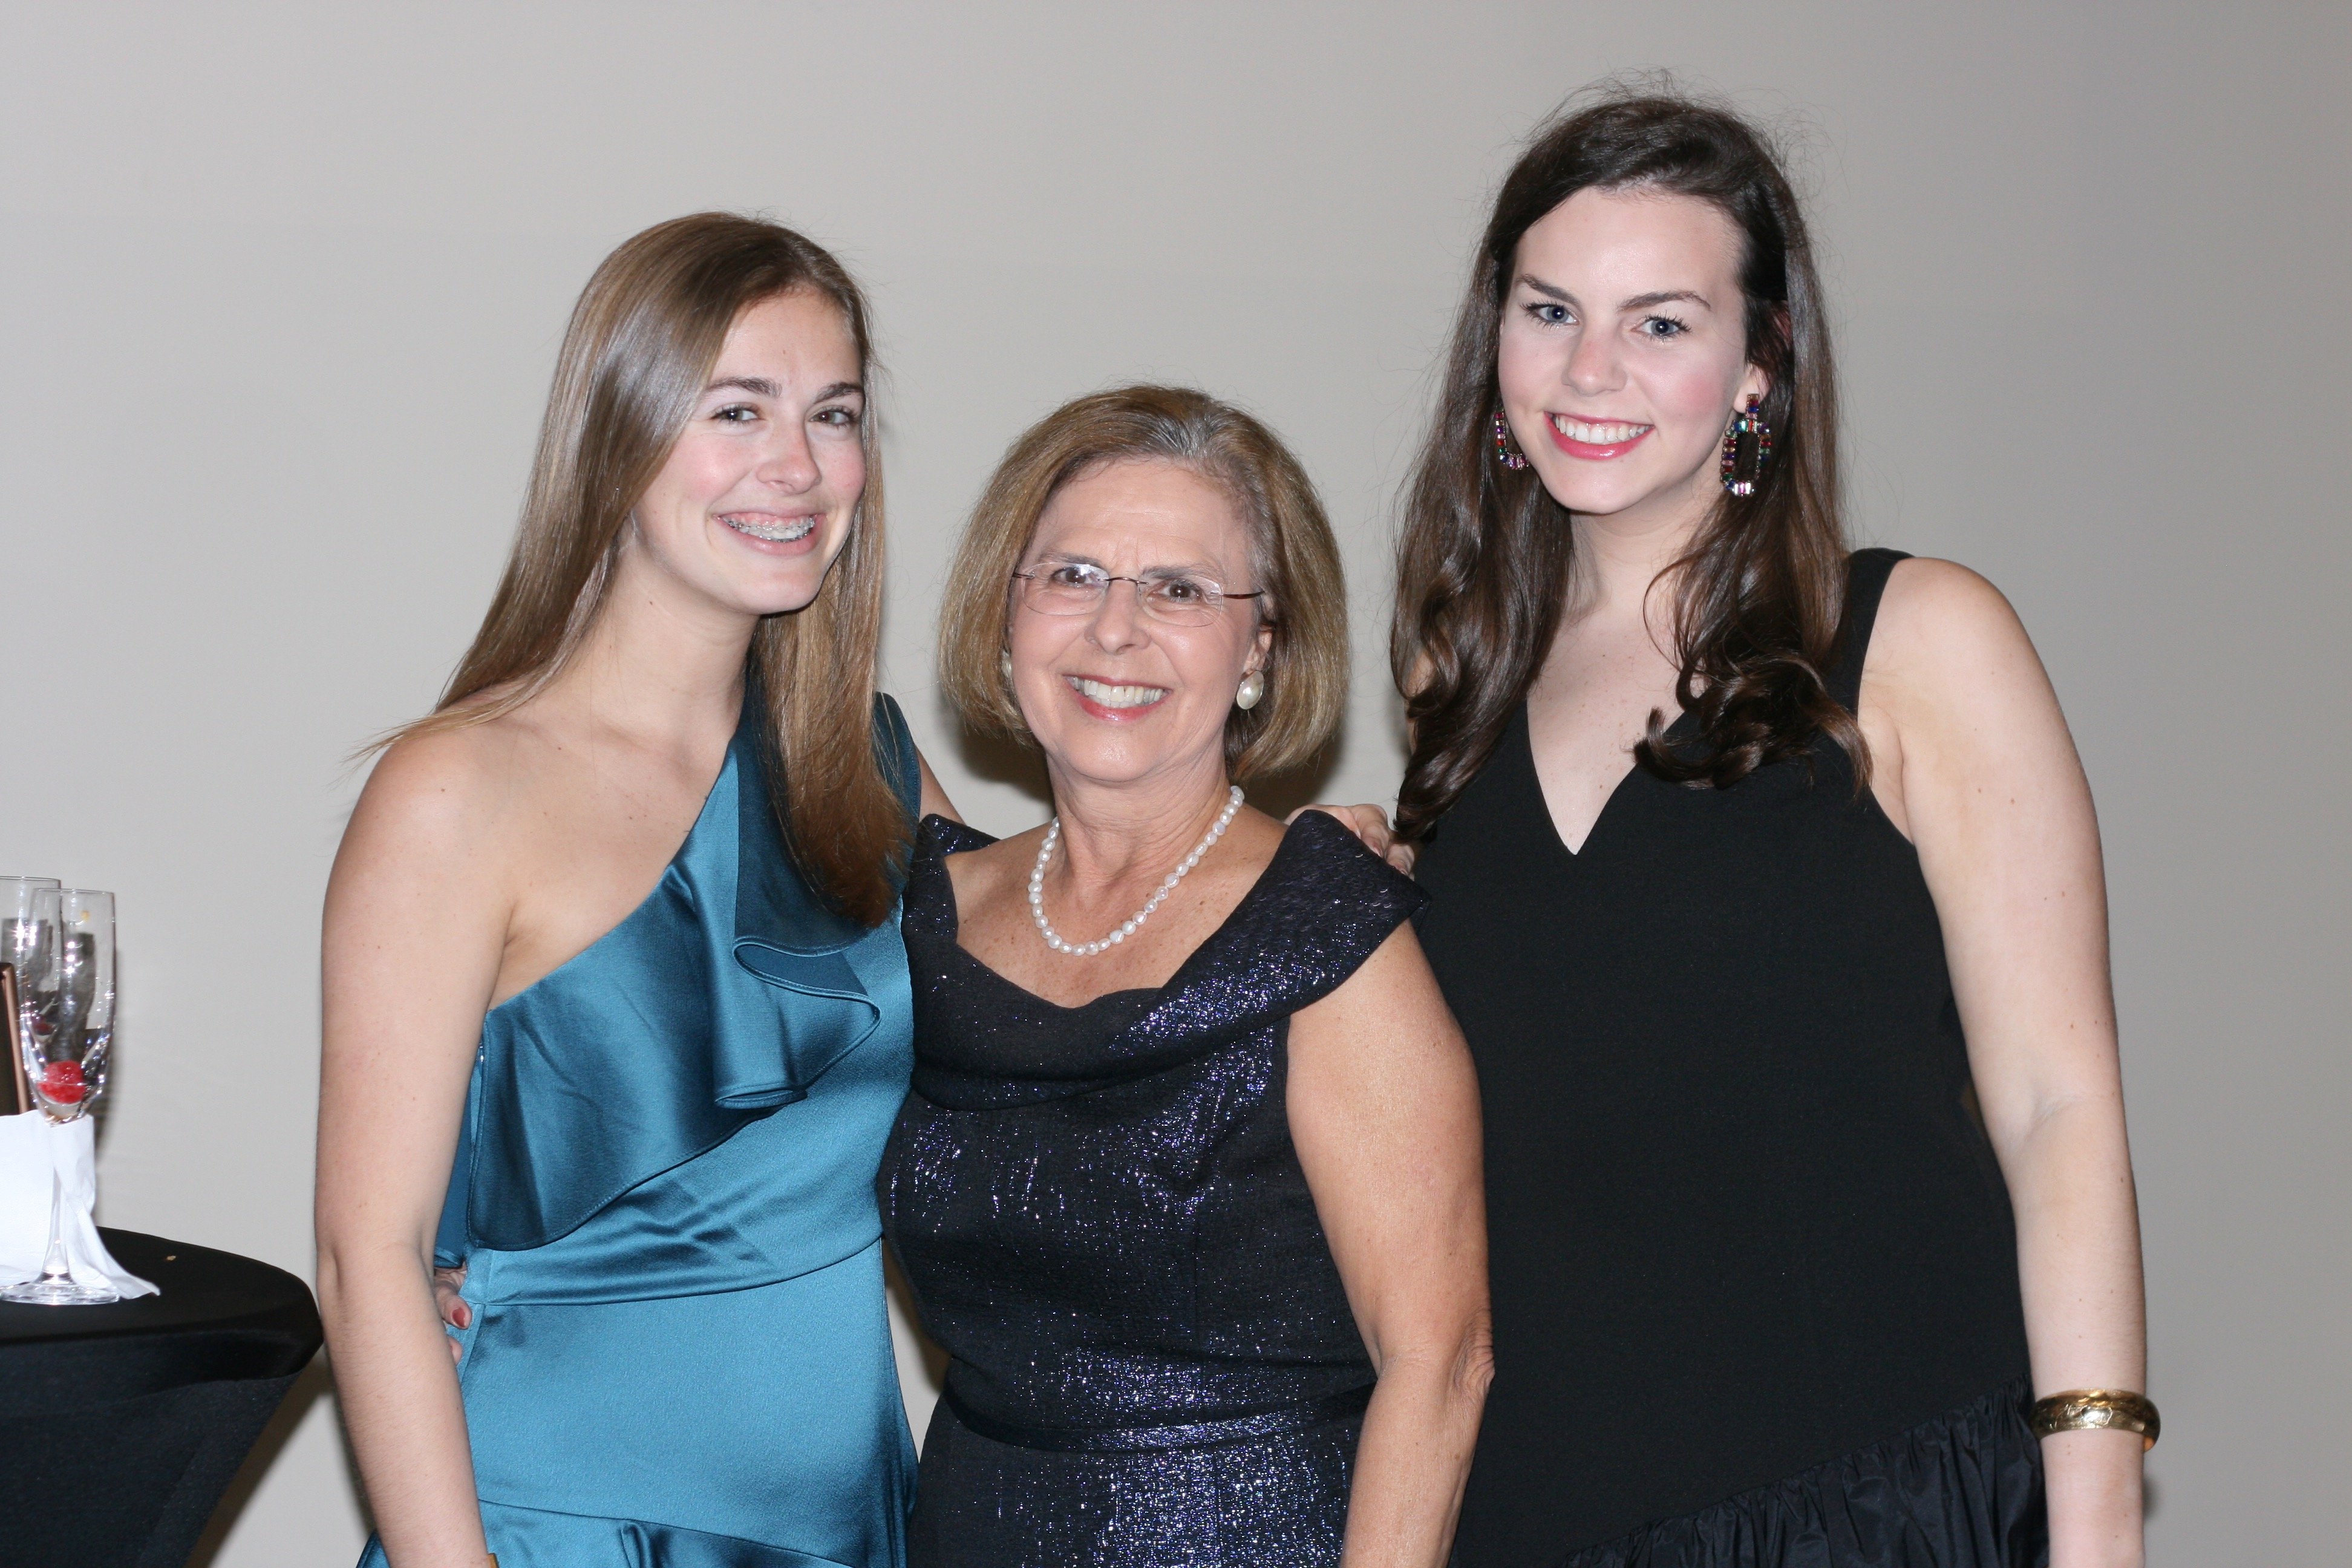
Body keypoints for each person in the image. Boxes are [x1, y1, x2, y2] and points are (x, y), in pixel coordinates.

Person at [1395, 90, 2151, 1566]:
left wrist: (2100, 1519)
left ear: (1760, 366)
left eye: (1662, 323)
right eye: (1551, 311)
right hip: (1538, 1519)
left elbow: (2059, 1109)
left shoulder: (1914, 636)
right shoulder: (1456, 688)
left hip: (1873, 1510)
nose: (1591, 369)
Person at [318, 213, 956, 1568]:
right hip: (551, 1532)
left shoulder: (871, 770)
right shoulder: (456, 791)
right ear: (619, 433)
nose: (798, 466)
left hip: (850, 1529)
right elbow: (366, 1259)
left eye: (834, 414)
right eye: (739, 409)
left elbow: (1091, 964)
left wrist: (1279, 862)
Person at [880, 386, 1491, 1567]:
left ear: (1262, 647)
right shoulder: (931, 916)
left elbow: (1442, 1362)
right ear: (1007, 614)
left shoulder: (1327, 934)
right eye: (1073, 576)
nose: (1116, 630)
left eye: (1180, 590)